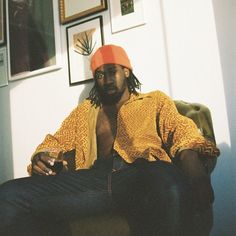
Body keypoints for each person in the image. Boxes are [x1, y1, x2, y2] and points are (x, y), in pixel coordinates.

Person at [0, 44, 220, 236]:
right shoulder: (85, 112)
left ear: (126, 71)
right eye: (99, 75)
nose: (105, 79)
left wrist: (193, 165)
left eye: (111, 71)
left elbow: (180, 129)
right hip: (93, 182)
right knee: (8, 195)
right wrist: (42, 156)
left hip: (142, 176)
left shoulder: (154, 101)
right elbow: (56, 141)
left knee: (169, 181)